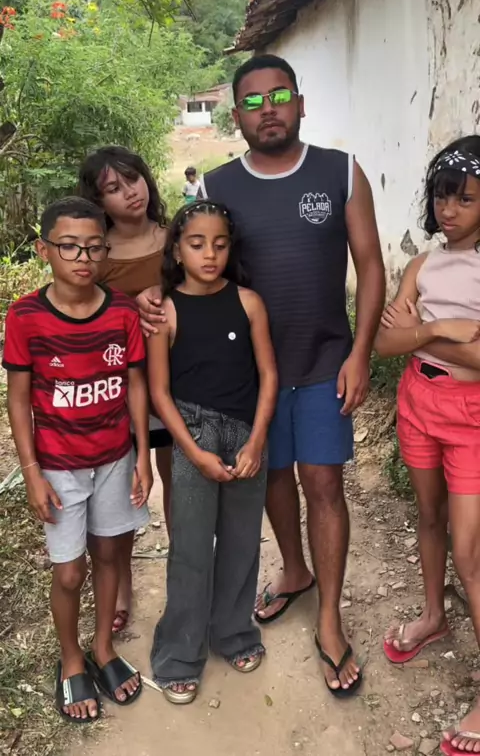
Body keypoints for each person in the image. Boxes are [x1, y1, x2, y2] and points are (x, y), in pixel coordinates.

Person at [137, 54, 385, 696]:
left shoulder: (340, 171)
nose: (266, 109)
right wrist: (151, 297)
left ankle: (329, 621)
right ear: (237, 114)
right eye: (251, 101)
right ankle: (294, 570)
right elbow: (189, 258)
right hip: (249, 380)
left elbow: (371, 265)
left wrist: (360, 353)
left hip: (324, 362)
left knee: (322, 483)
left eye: (278, 96)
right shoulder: (217, 185)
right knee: (271, 477)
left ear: (300, 103)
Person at [3, 197, 153, 722]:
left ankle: (103, 649)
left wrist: (142, 456)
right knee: (69, 572)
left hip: (114, 458)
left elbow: (136, 384)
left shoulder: (122, 311)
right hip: (58, 465)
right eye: (69, 247)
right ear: (44, 250)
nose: (83, 258)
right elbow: (18, 399)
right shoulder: (24, 316)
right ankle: (71, 659)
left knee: (110, 554)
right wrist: (31, 473)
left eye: (93, 247)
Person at [148, 199, 278, 704]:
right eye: (197, 244)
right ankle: (179, 653)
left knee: (243, 541)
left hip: (246, 435)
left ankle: (234, 632)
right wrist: (194, 452)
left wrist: (257, 439)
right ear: (177, 250)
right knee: (192, 547)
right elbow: (159, 392)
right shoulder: (164, 310)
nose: (209, 254)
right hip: (193, 436)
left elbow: (268, 375)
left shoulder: (249, 303)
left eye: (220, 245)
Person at [375, 136, 480, 755]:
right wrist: (442, 330)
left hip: (470, 416)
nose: (450, 209)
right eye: (443, 196)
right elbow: (385, 343)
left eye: (466, 199)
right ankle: (435, 616)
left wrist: (417, 331)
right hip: (418, 401)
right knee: (429, 518)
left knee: (470, 552)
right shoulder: (423, 264)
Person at [78, 146, 172, 635]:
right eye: (113, 189)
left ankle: (184, 577)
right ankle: (122, 586)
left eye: (133, 179)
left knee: (178, 483)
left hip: (177, 382)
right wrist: (128, 306)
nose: (129, 193)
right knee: (125, 491)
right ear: (99, 202)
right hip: (118, 387)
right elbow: (82, 312)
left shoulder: (176, 238)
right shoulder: (98, 253)